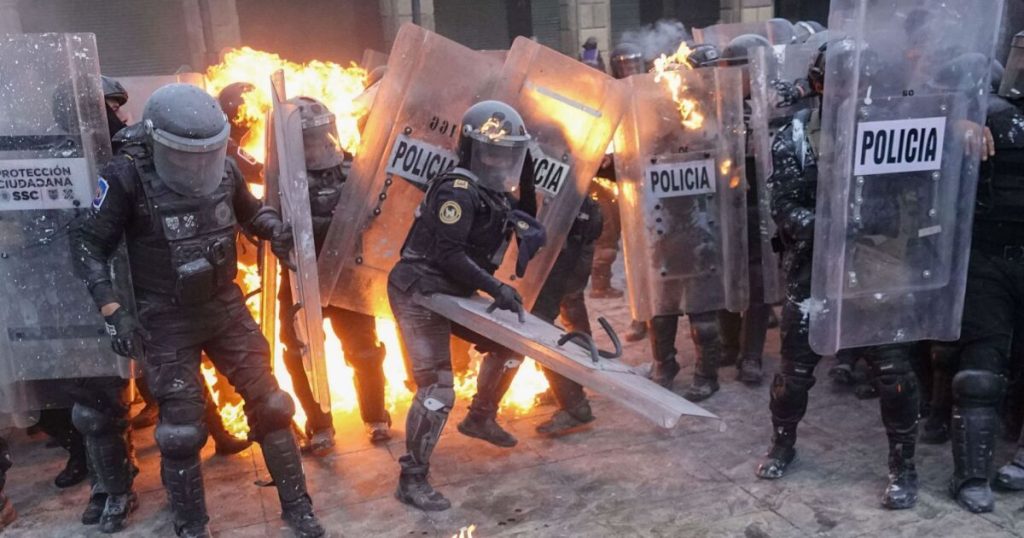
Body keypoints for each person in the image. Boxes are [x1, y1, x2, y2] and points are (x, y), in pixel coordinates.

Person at [70, 83, 323, 538]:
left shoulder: (224, 169)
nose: (198, 164)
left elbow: (249, 211)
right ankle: (191, 526)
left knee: (273, 404)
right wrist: (114, 310)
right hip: (164, 316)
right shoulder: (126, 177)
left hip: (224, 305)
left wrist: (274, 230)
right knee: (181, 432)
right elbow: (87, 242)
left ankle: (298, 507)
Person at [754, 41, 920, 510]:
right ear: (820, 82)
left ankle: (902, 465)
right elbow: (784, 206)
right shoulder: (797, 134)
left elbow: (918, 190)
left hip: (878, 265)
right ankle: (783, 444)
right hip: (815, 268)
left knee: (895, 374)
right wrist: (829, 228)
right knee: (794, 374)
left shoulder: (892, 127)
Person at [388, 100, 537, 511]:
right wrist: (495, 288)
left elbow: (520, 218)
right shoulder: (458, 191)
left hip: (454, 292)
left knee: (513, 344)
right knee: (437, 389)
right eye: (493, 150)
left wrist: (528, 178)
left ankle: (481, 417)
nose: (500, 159)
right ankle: (412, 478)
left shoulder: (494, 194)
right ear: (472, 149)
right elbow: (449, 254)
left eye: (510, 152)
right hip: (419, 289)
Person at [277, 96, 391, 452]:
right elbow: (267, 221)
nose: (317, 145)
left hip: (346, 274)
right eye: (307, 140)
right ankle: (320, 425)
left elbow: (373, 215)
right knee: (299, 352)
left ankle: (376, 417)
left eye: (320, 135)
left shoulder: (353, 169)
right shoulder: (279, 178)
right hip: (300, 279)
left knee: (365, 351)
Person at [948, 34, 1024, 512]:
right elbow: (896, 116)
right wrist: (954, 122)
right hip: (988, 256)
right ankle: (971, 475)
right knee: (979, 371)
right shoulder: (987, 112)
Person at [645, 43, 730, 401]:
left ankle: (706, 374)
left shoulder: (718, 127)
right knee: (661, 309)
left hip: (703, 229)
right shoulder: (658, 129)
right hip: (665, 229)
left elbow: (731, 178)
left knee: (702, 314)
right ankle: (665, 364)